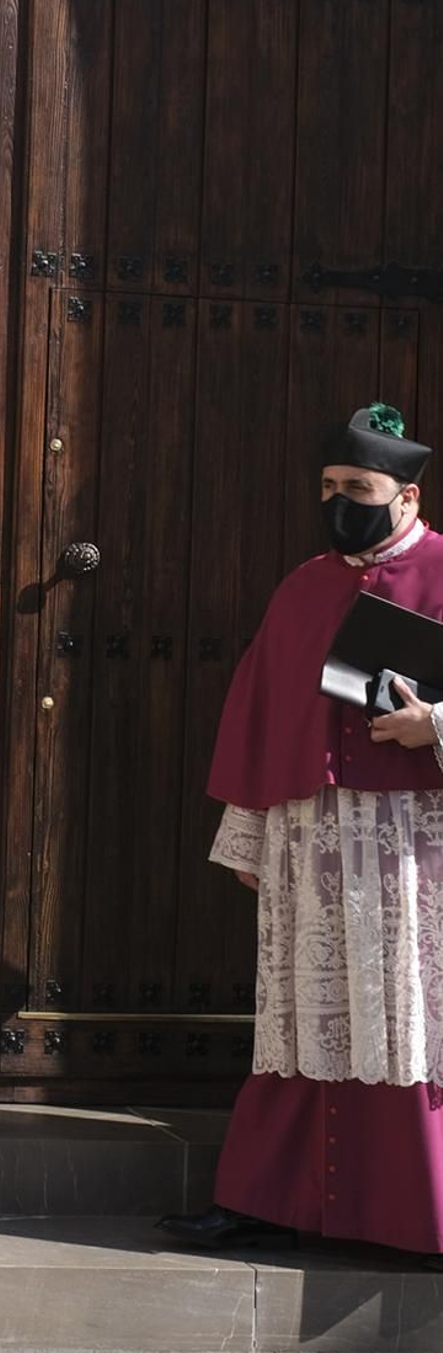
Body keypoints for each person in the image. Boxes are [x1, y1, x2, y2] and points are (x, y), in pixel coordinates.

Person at [160, 403, 443, 1263]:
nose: (340, 501)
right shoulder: (305, 582)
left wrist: (437, 725)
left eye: (358, 488)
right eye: (329, 487)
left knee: (405, 1017)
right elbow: (260, 711)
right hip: (310, 841)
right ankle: (270, 1199)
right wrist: (248, 837)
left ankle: (418, 1210)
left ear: (407, 495)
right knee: (302, 1011)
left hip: (411, 842)